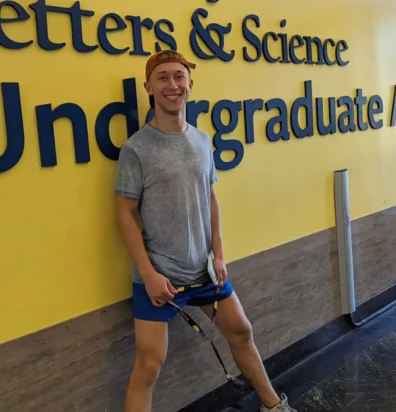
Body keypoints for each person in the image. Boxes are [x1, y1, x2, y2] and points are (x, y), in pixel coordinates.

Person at [114, 49, 297, 412]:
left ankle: (274, 406)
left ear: (190, 85)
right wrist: (149, 275)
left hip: (205, 272)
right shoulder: (136, 149)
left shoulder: (201, 139)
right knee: (149, 366)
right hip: (160, 279)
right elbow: (123, 215)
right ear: (148, 87)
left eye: (179, 77)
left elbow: (211, 198)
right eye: (162, 77)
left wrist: (219, 255)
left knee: (242, 332)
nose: (172, 85)